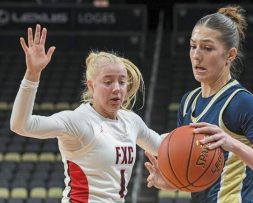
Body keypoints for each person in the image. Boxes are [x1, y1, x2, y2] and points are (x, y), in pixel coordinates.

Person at [144, 5, 253, 203]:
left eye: (207, 48)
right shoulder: (188, 102)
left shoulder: (241, 102)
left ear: (230, 55)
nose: (196, 55)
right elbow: (198, 173)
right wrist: (171, 180)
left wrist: (234, 145)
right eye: (192, 46)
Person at [10, 24, 163, 202]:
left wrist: (199, 135)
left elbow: (161, 145)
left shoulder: (131, 121)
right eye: (108, 82)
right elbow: (21, 125)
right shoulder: (78, 121)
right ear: (91, 85)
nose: (117, 89)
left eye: (122, 82)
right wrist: (32, 74)